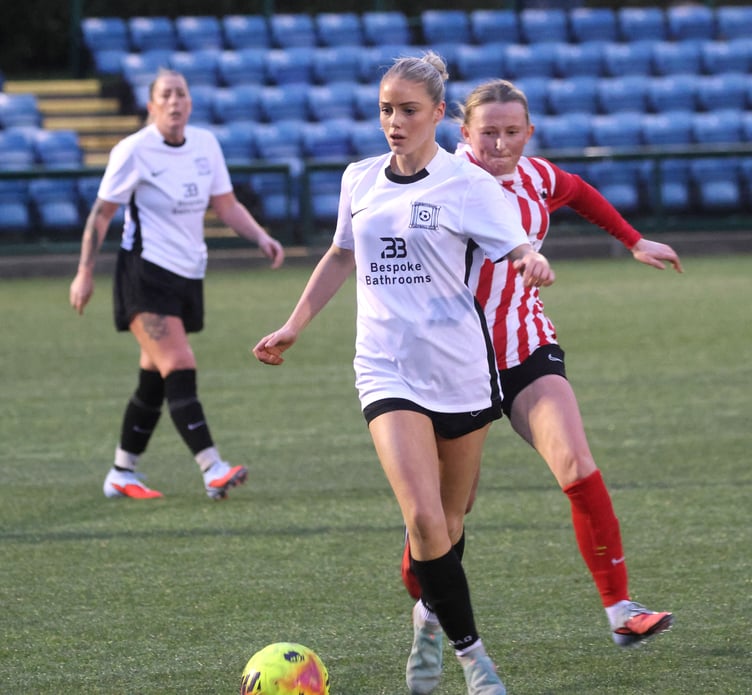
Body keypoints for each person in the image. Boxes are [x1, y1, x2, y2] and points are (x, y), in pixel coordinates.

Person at [253, 53, 554, 695]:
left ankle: (426, 625)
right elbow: (340, 254)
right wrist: (294, 324)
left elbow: (516, 240)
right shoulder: (359, 179)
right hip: (385, 367)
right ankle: (476, 662)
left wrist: (531, 259)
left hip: (462, 373)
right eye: (386, 109)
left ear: (439, 115)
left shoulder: (468, 186)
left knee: (450, 522)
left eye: (408, 110)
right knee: (421, 517)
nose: (394, 121)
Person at [401, 78, 681, 649]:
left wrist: (633, 240)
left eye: (512, 132)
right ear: (463, 134)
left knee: (576, 462)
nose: (500, 144)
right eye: (488, 133)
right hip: (458, 367)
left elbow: (578, 191)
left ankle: (622, 610)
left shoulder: (536, 176)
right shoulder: (441, 183)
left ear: (529, 132)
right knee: (448, 516)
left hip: (526, 347)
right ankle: (429, 593)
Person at [69, 69, 285, 500]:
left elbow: (224, 204)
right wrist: (85, 271)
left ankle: (121, 472)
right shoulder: (133, 151)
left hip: (187, 274)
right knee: (180, 364)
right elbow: (101, 214)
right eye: (165, 95)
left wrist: (261, 236)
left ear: (190, 102)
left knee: (154, 378)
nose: (174, 101)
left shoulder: (205, 144)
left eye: (181, 93)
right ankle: (212, 468)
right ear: (151, 106)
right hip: (143, 275)